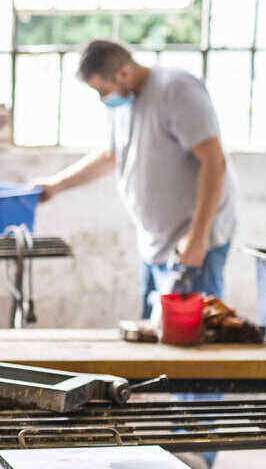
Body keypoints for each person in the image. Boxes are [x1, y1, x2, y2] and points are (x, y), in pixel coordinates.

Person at [32, 39, 238, 318]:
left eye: (103, 90)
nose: (103, 98)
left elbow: (214, 161)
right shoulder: (123, 106)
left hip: (191, 242)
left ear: (124, 72)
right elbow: (110, 157)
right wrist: (56, 185)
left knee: (194, 332)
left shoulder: (175, 90)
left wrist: (198, 237)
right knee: (152, 332)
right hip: (156, 242)